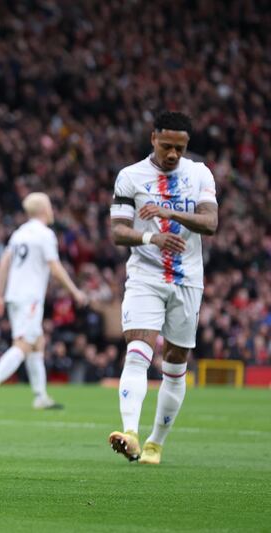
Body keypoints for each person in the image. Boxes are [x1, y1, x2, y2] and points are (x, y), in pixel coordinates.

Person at [108, 111, 218, 464]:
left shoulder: (199, 173)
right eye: (168, 145)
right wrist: (153, 236)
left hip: (188, 279)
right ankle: (131, 433)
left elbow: (211, 223)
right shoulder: (131, 177)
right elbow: (118, 232)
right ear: (153, 138)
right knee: (138, 350)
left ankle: (156, 442)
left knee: (175, 361)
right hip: (146, 275)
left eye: (180, 148)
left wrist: (172, 216)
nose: (173, 154)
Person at [0, 193, 87, 409]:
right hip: (30, 298)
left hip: (14, 296)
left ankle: (40, 396)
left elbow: (3, 265)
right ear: (44, 209)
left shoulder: (19, 233)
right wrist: (75, 292)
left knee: (37, 343)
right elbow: (55, 267)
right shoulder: (45, 234)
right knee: (24, 344)